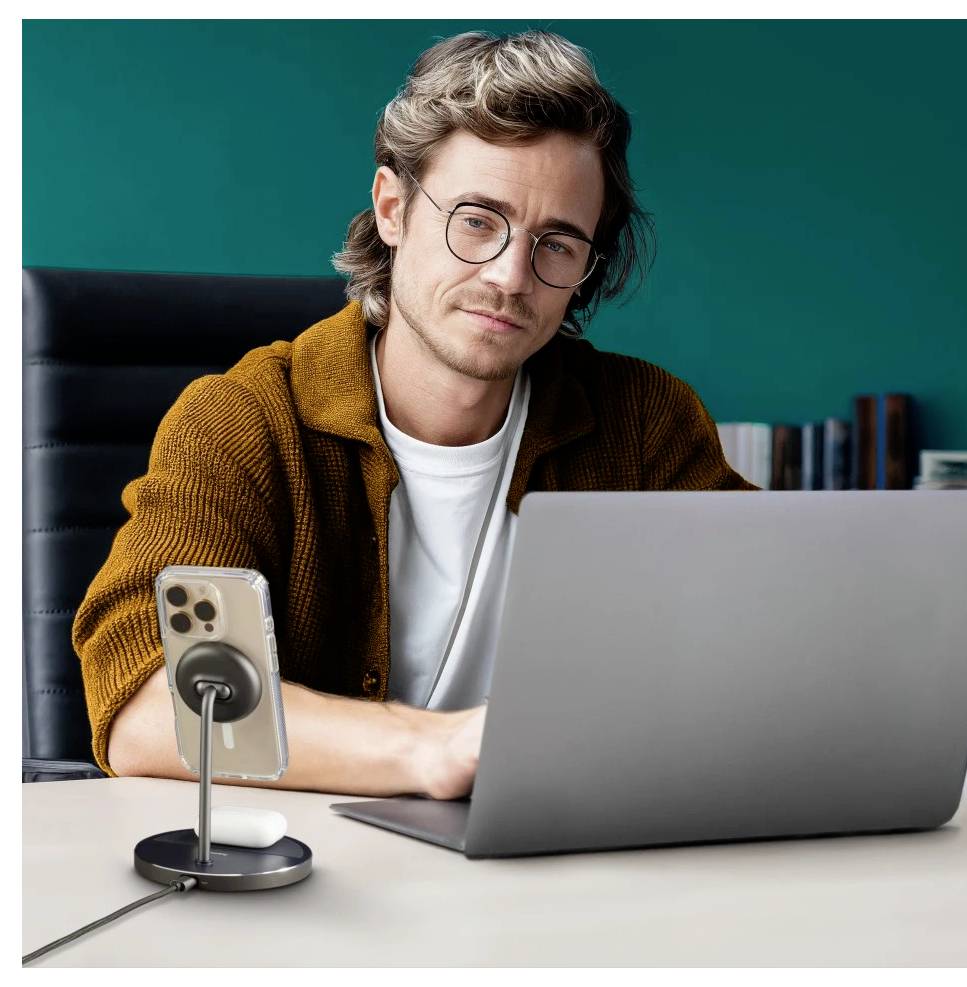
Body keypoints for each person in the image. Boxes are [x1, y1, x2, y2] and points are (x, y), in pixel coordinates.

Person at [73, 30, 757, 800]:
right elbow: (148, 706)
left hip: (562, 865)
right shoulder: (247, 422)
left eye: (557, 244)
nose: (508, 276)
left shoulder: (642, 422)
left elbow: (770, 632)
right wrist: (431, 749)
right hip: (313, 880)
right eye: (476, 220)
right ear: (392, 208)